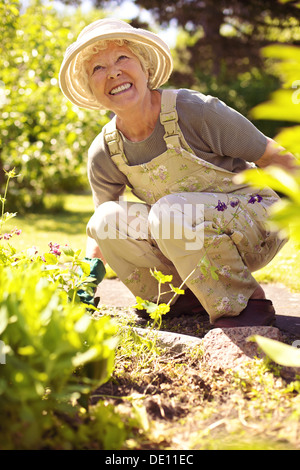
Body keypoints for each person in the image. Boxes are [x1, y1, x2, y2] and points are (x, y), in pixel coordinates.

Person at [59, 18, 295, 327]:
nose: (113, 72)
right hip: (181, 229)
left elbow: (276, 157)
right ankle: (180, 299)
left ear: (145, 69)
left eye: (122, 58)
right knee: (105, 219)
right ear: (92, 90)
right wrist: (86, 280)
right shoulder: (105, 151)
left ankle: (246, 303)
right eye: (97, 69)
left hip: (256, 223)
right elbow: (103, 229)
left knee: (169, 211)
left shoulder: (195, 111)